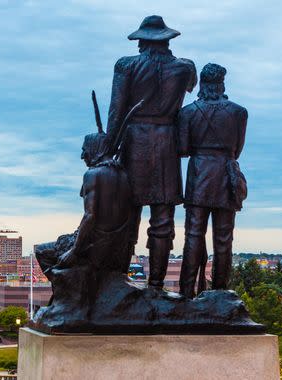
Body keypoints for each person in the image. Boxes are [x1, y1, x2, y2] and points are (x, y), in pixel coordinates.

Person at [107, 15, 196, 289]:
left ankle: (119, 279)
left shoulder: (126, 66)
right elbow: (192, 89)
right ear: (166, 41)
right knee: (163, 217)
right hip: (167, 141)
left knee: (127, 212)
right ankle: (156, 283)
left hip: (135, 141)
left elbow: (116, 110)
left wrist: (109, 148)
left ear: (142, 41)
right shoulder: (185, 68)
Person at [178, 63, 248, 298]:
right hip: (226, 176)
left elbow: (184, 148)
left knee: (193, 234)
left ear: (203, 84)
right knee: (224, 237)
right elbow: (237, 150)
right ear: (222, 83)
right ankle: (219, 290)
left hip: (198, 175)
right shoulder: (239, 112)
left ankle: (186, 291)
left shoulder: (187, 113)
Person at [47, 128, 134, 274]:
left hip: (96, 244)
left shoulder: (92, 175)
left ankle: (74, 292)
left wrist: (74, 251)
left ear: (95, 148)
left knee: (43, 251)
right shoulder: (124, 175)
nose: (82, 156)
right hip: (118, 242)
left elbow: (90, 216)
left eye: (84, 150)